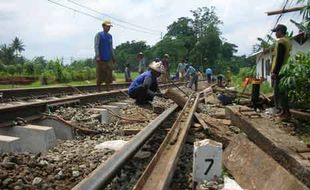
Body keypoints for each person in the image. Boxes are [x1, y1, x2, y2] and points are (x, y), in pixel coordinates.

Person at [271, 24, 292, 119]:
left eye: (276, 31)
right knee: (282, 92)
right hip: (284, 69)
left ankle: (284, 112)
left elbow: (279, 58)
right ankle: (284, 112)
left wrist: (275, 72)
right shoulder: (288, 41)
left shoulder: (281, 42)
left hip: (280, 70)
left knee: (279, 92)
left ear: (280, 32)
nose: (275, 33)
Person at [94, 20, 115, 92]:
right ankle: (98, 88)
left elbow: (111, 47)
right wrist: (97, 55)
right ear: (103, 26)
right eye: (107, 26)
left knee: (109, 73)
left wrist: (113, 56)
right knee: (100, 73)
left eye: (109, 27)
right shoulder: (99, 35)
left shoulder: (110, 36)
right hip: (100, 58)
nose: (108, 28)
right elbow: (96, 45)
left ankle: (107, 87)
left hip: (108, 58)